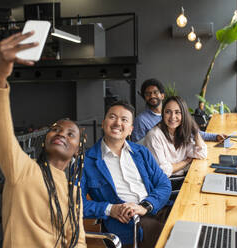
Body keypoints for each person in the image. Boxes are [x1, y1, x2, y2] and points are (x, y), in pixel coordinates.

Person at [0, 31, 86, 247]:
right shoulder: (23, 169)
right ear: (45, 139)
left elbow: (77, 240)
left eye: (70, 134)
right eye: (56, 129)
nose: (61, 133)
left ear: (78, 149)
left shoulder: (74, 190)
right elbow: (2, 133)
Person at [81, 101, 171, 248]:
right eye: (112, 117)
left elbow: (164, 184)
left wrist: (146, 206)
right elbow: (76, 204)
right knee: (168, 237)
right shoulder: (86, 161)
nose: (117, 123)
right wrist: (110, 209)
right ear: (103, 123)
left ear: (130, 130)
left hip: (155, 208)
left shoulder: (141, 152)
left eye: (124, 120)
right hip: (128, 223)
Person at [131, 78, 226, 143]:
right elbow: (137, 147)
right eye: (148, 94)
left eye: (155, 92)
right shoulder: (141, 120)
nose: (152, 96)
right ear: (144, 98)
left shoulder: (172, 116)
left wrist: (215, 136)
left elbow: (192, 132)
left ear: (162, 95)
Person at [144, 96, 207, 177]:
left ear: (184, 115)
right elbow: (163, 171)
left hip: (182, 177)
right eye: (168, 112)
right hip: (167, 183)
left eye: (177, 112)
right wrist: (185, 162)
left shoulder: (180, 131)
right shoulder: (154, 135)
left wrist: (195, 131)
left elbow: (201, 154)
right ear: (163, 113)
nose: (172, 117)